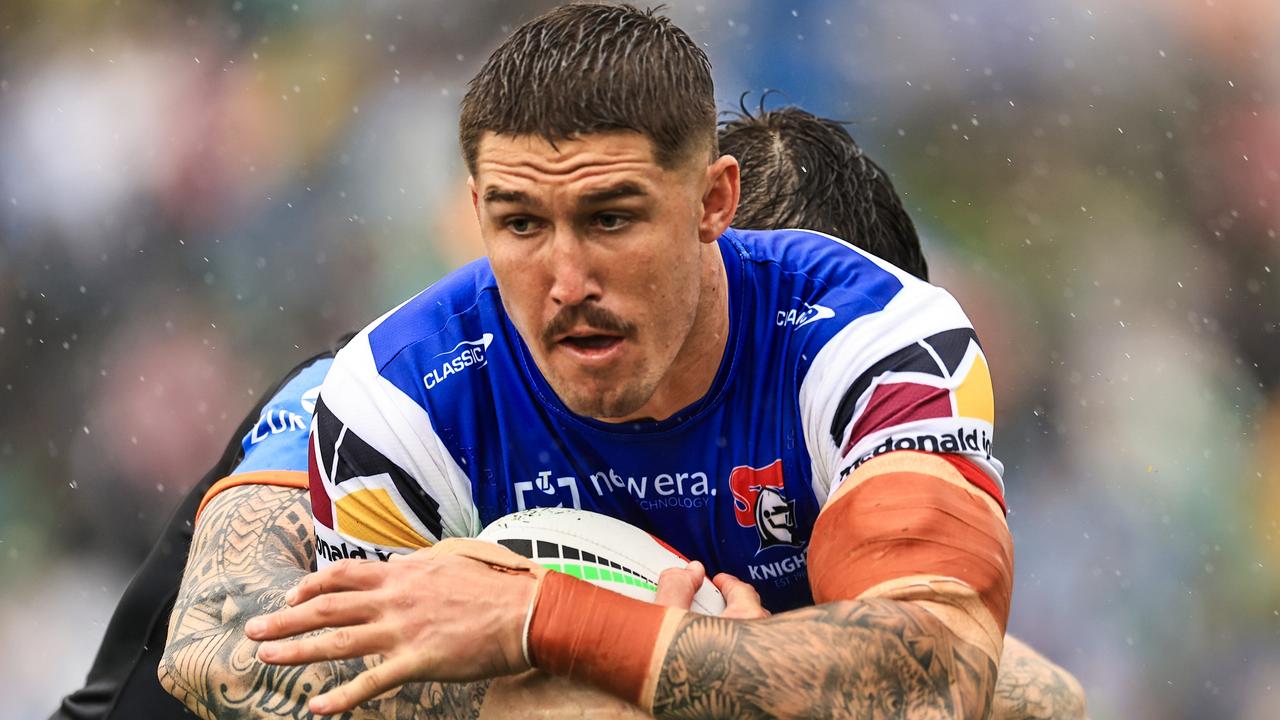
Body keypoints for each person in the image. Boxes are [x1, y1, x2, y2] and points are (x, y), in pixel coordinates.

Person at [55, 36, 1081, 720]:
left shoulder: (860, 384)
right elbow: (216, 645)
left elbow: (1008, 693)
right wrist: (580, 644)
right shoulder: (374, 398)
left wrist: (686, 659)